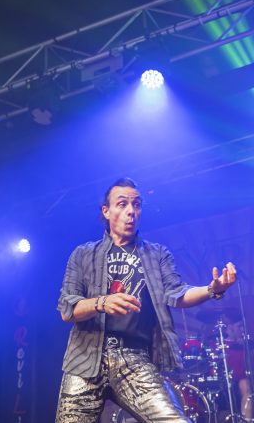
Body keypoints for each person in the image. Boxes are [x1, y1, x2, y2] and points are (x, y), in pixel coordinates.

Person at [56, 177, 237, 423]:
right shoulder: (83, 254)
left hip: (134, 359)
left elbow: (177, 294)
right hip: (85, 359)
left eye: (137, 204)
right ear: (106, 211)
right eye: (122, 204)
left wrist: (212, 289)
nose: (131, 211)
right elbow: (68, 309)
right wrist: (102, 302)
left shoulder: (156, 254)